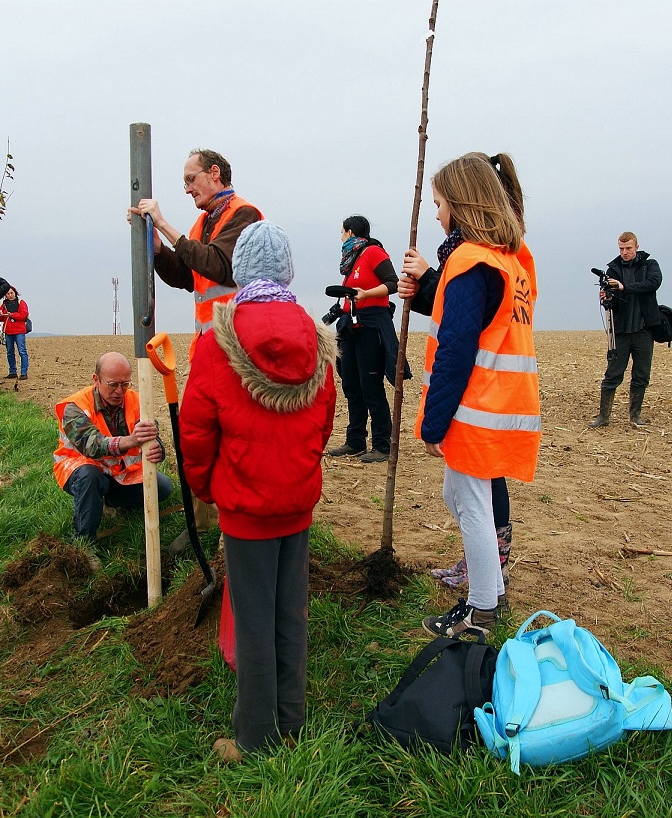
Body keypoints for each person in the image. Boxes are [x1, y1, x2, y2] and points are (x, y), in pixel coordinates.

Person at [179, 221, 336, 762]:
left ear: (241, 272)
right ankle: (292, 720)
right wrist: (301, 472)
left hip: (243, 507)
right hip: (296, 501)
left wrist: (206, 488)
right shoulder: (315, 336)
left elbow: (196, 430)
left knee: (251, 620)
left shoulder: (217, 339)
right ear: (287, 272)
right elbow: (324, 422)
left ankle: (254, 737)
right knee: (291, 612)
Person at [397, 152, 540, 639]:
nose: (436, 214)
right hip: (501, 404)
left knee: (474, 506)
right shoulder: (509, 261)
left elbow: (456, 349)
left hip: (474, 407)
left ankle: (482, 609)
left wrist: (434, 423)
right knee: (456, 494)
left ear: (459, 204)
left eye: (439, 204)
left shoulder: (468, 261)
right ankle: (490, 587)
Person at [131, 148, 263, 359]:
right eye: (186, 183)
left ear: (214, 172)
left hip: (240, 347)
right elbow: (186, 277)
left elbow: (219, 266)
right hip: (210, 345)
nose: (187, 189)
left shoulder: (244, 215)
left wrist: (164, 225)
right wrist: (158, 249)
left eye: (191, 180)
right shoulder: (201, 225)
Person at [52, 352, 172, 545]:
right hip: (82, 470)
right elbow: (91, 445)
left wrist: (157, 448)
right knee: (90, 477)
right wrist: (129, 441)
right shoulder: (75, 407)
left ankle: (112, 502)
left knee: (163, 487)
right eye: (113, 384)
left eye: (125, 384)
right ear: (96, 379)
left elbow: (152, 435)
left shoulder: (137, 401)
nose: (119, 391)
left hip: (118, 473)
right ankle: (83, 542)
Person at [327, 215, 404, 464]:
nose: (340, 237)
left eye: (341, 232)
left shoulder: (373, 252)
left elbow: (393, 283)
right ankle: (355, 441)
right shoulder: (351, 261)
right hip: (351, 325)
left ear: (349, 232)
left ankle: (382, 445)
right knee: (351, 384)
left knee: (370, 385)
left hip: (371, 325)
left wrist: (366, 294)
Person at [588, 232, 663, 428]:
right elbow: (610, 303)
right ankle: (603, 417)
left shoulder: (650, 265)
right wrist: (607, 297)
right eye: (621, 249)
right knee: (612, 374)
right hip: (620, 331)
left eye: (628, 248)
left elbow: (653, 284)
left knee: (641, 375)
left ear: (636, 246)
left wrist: (624, 287)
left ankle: (635, 416)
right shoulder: (612, 269)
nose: (624, 252)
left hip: (644, 329)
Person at [0, 286, 30, 380]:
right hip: (8, 331)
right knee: (9, 352)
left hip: (19, 331)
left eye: (11, 293)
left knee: (22, 351)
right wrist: (0, 314)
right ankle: (12, 371)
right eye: (8, 294)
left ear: (15, 293)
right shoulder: (4, 304)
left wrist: (12, 315)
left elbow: (24, 315)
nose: (10, 295)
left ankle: (23, 372)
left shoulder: (21, 303)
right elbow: (0, 318)